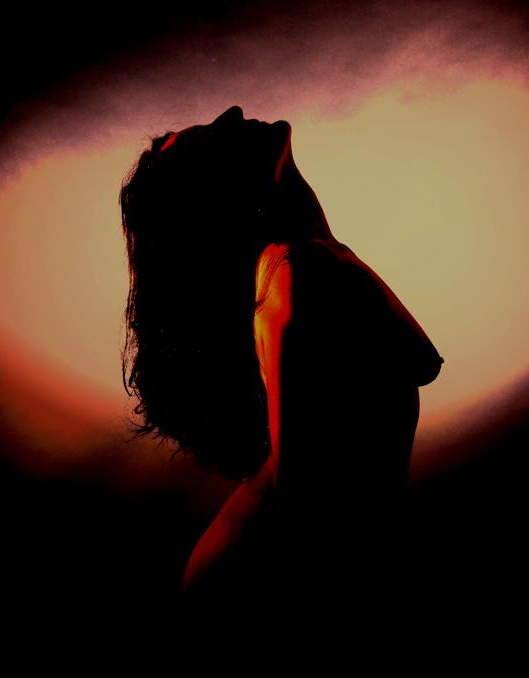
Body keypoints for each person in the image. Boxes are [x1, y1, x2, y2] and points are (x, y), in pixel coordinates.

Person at [119, 104, 444, 600]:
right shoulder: (298, 273)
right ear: (206, 196)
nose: (232, 112)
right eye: (205, 139)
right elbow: (311, 523)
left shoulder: (305, 263)